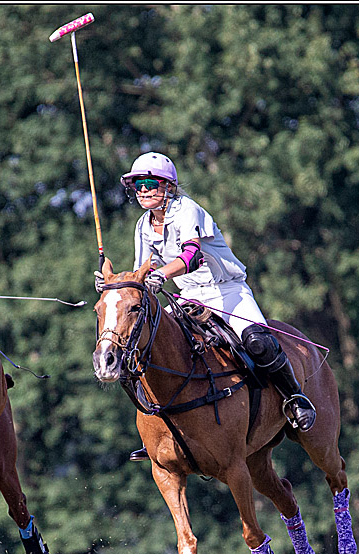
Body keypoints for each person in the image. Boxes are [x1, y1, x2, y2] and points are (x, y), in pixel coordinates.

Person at [108, 152, 316, 462]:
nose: (142, 190)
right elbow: (142, 270)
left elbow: (192, 256)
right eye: (136, 185)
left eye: (149, 183)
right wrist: (114, 284)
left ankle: (294, 398)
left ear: (168, 186)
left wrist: (162, 275)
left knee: (258, 342)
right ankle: (156, 428)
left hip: (227, 291)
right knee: (144, 343)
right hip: (187, 295)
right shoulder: (142, 226)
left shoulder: (186, 210)